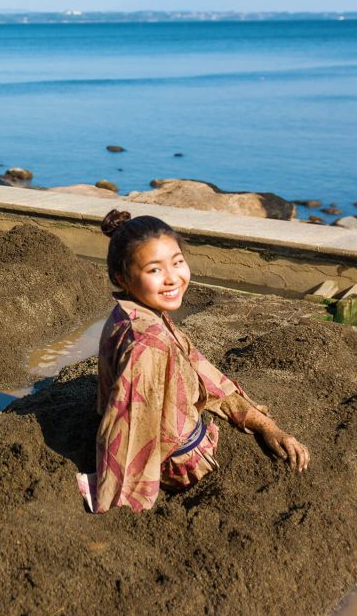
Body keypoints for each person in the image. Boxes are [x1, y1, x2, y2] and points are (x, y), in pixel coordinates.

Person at [77, 209, 309, 513]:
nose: (173, 278)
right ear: (123, 278)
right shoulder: (147, 346)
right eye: (154, 270)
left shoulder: (136, 312)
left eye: (177, 262)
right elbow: (129, 431)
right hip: (183, 467)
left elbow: (204, 373)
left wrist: (267, 426)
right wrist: (120, 505)